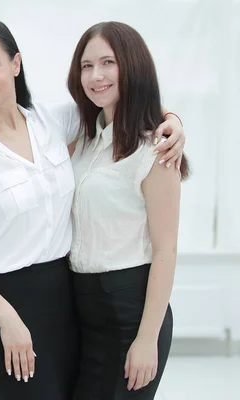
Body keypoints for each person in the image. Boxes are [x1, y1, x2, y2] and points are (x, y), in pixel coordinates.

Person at [0, 20, 186, 400]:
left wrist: (173, 122)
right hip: (5, 309)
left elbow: (120, 98)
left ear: (16, 64)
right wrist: (8, 318)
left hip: (69, 304)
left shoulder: (53, 121)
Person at [66, 21, 189, 400]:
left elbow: (166, 250)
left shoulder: (156, 149)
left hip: (129, 310)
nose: (96, 75)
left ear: (132, 67)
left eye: (107, 63)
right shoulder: (83, 140)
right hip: (80, 306)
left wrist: (147, 339)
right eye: (87, 66)